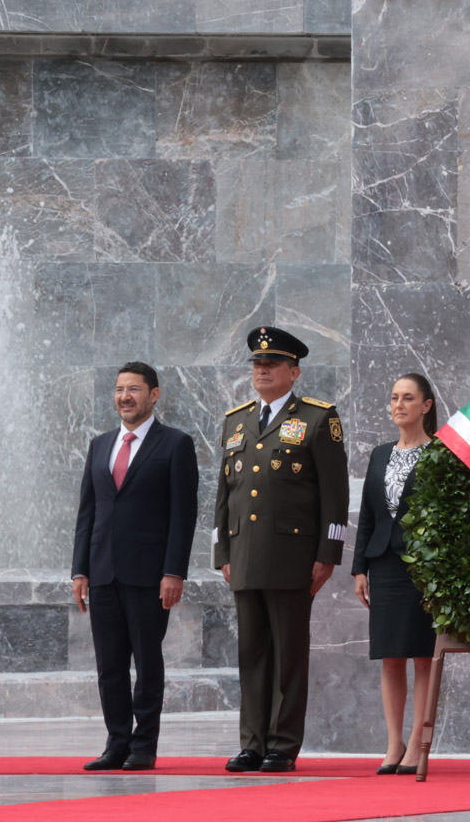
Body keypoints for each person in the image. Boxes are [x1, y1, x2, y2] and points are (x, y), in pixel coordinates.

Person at [214, 326, 348, 773]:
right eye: (257, 363)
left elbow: (335, 493)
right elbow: (224, 495)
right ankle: (252, 742)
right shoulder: (236, 421)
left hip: (293, 558)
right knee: (251, 654)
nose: (262, 369)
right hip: (245, 556)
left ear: (294, 371)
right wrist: (222, 553)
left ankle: (282, 745)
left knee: (288, 653)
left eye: (271, 363)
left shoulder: (316, 418)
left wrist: (328, 553)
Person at [71, 361, 199, 771]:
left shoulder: (175, 444)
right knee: (109, 666)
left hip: (149, 575)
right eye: (119, 389)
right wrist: (79, 571)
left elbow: (184, 514)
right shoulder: (100, 444)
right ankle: (116, 744)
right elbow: (87, 513)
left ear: (154, 394)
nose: (125, 397)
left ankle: (144, 746)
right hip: (103, 572)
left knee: (146, 662)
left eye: (134, 389)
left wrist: (174, 571)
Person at [352, 373, 440, 775]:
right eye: (394, 398)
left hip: (423, 567)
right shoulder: (379, 454)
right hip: (384, 564)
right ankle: (393, 744)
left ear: (426, 406)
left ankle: (419, 746)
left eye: (408, 398)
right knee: (390, 656)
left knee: (423, 655)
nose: (399, 405)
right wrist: (359, 568)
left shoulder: (440, 454)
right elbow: (368, 516)